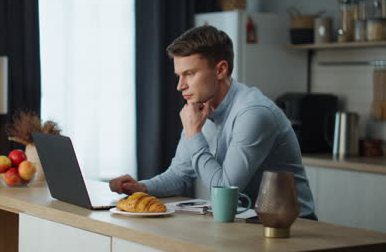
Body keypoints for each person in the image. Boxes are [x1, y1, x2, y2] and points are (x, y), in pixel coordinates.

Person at [109, 25, 316, 219]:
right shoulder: (200, 108)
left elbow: (224, 190)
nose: (180, 86)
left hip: (293, 226)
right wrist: (142, 188)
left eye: (189, 74)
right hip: (245, 221)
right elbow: (180, 174)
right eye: (179, 76)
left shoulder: (253, 114)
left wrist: (193, 133)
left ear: (220, 70)